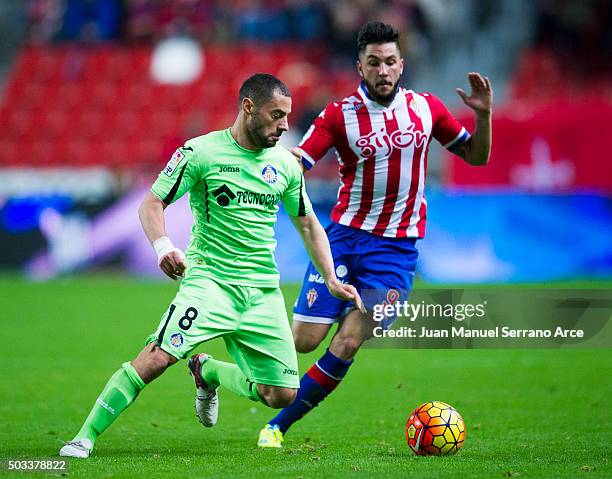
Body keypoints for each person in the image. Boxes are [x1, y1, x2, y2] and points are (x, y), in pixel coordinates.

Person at [59, 73, 364, 458]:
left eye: (287, 115)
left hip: (261, 292)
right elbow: (151, 204)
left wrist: (331, 279)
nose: (285, 125)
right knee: (157, 357)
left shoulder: (285, 165)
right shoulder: (200, 153)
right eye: (277, 115)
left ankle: (209, 371)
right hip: (210, 284)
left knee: (281, 394)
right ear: (248, 107)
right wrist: (163, 246)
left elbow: (308, 224)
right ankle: (84, 437)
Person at [257, 21, 492, 448]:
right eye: (373, 63)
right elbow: (298, 163)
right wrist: (260, 174)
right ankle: (219, 372)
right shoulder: (338, 115)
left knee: (348, 340)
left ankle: (277, 426)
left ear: (401, 65)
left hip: (396, 254)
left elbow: (476, 157)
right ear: (359, 67)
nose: (382, 70)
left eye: (389, 62)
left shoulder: (427, 109)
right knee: (303, 342)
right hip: (343, 240)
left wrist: (484, 115)